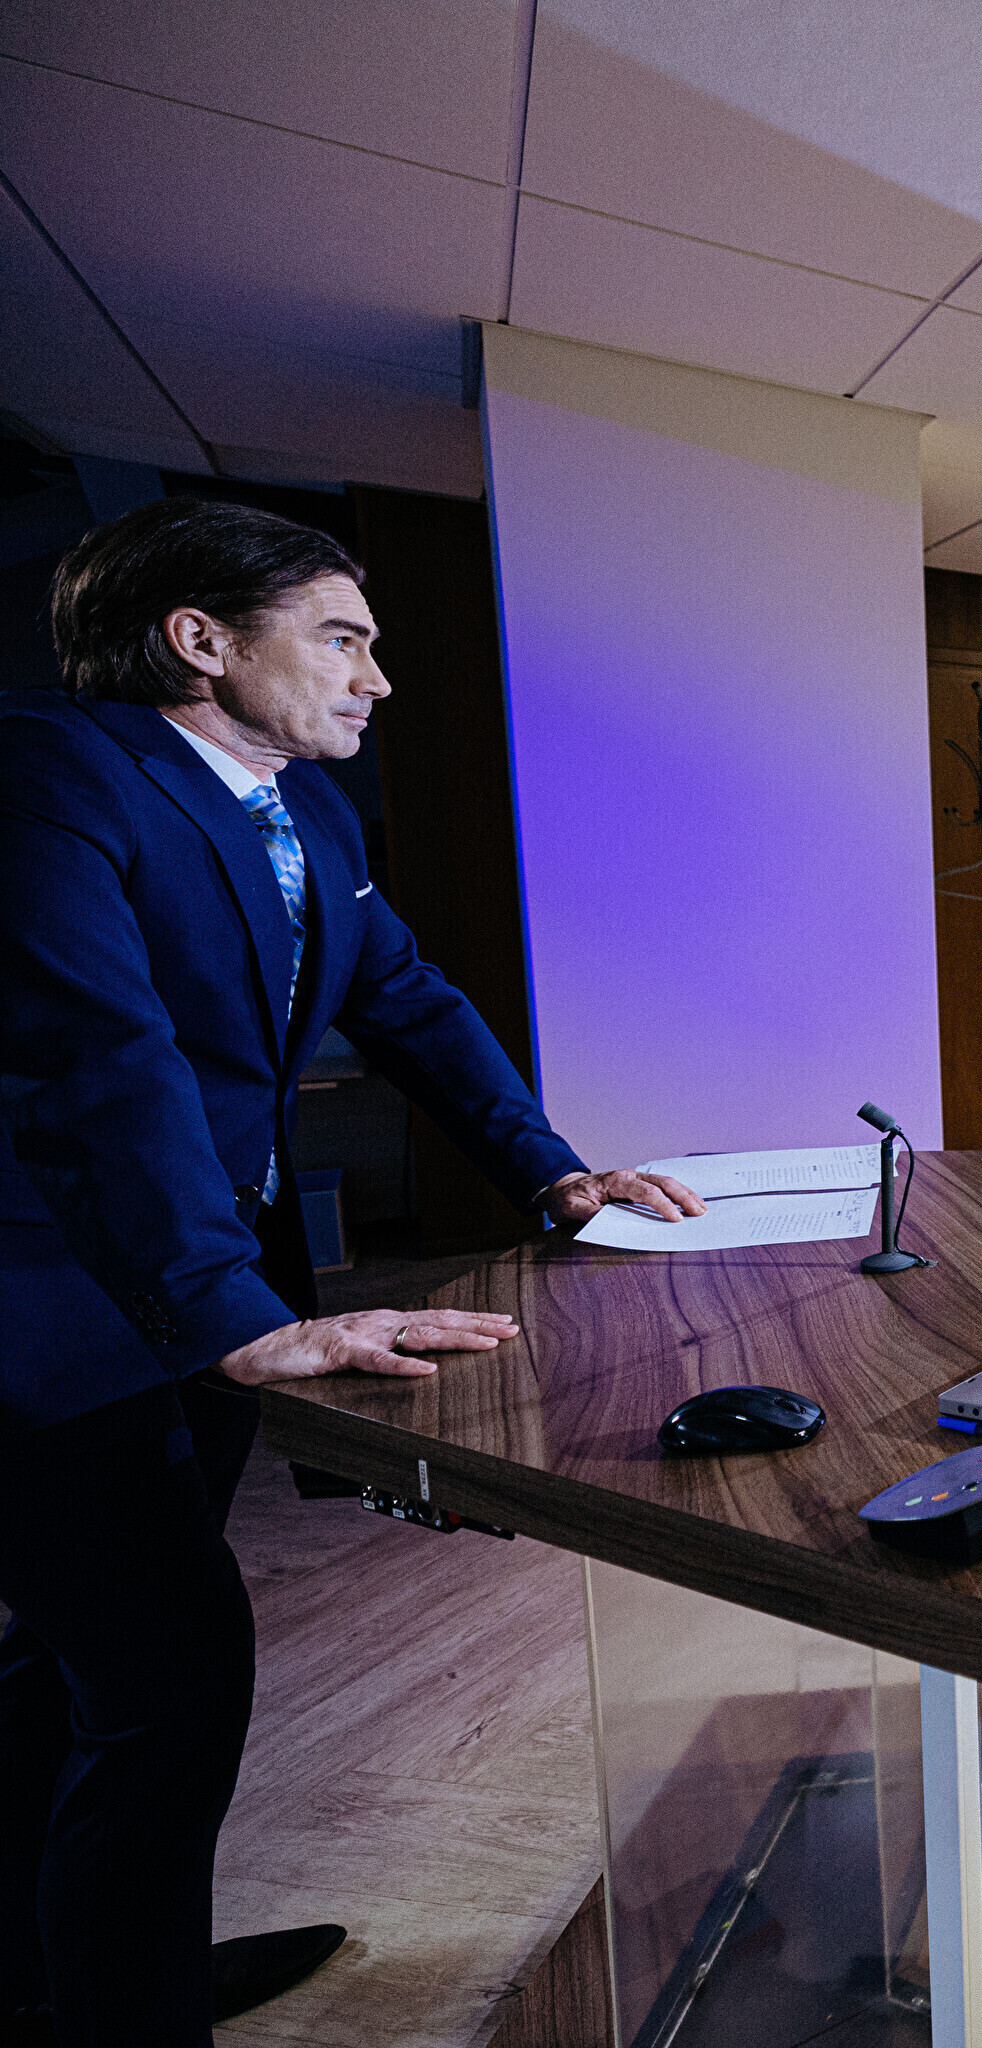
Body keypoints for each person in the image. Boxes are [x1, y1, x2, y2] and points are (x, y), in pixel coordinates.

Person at [0, 498, 703, 2048]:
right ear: (199, 639)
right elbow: (96, 1060)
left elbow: (409, 999)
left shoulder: (306, 810)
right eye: (341, 639)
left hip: (208, 1280)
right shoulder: (52, 771)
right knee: (167, 1683)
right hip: (55, 1300)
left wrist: (552, 1170)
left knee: (79, 1657)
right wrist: (229, 1318)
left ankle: (65, 1964)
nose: (377, 677)